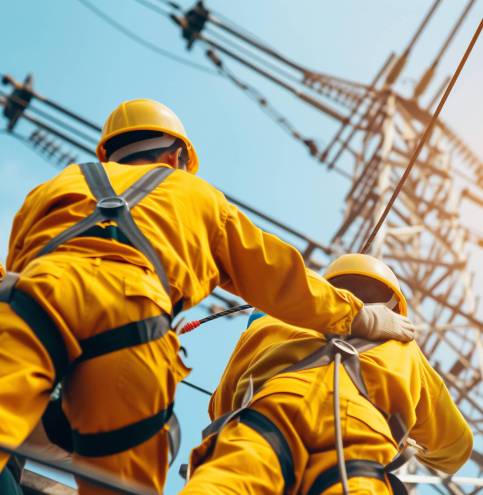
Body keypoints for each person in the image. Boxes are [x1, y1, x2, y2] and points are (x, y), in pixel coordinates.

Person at [0, 99, 415, 494]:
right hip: (134, 323)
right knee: (121, 486)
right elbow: (281, 279)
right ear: (174, 157)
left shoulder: (55, 187)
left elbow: (15, 270)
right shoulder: (199, 198)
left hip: (34, 305)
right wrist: (360, 317)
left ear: (111, 152)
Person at [180, 254, 473, 495]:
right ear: (395, 306)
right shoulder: (404, 348)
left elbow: (223, 403)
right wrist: (407, 439)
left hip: (267, 418)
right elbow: (456, 448)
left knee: (224, 484)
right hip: (361, 440)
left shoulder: (270, 325)